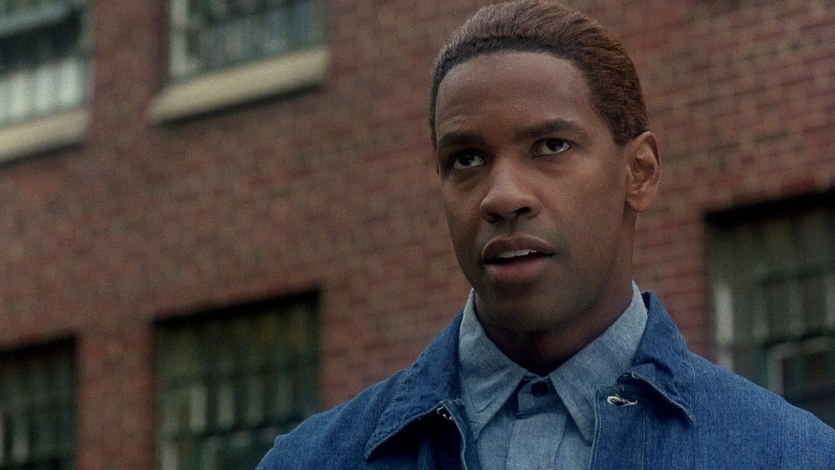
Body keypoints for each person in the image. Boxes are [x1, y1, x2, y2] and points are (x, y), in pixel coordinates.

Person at [256, 1, 835, 468]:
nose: (503, 196)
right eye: (466, 158)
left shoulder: (791, 456)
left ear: (639, 173)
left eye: (551, 146)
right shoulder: (312, 460)